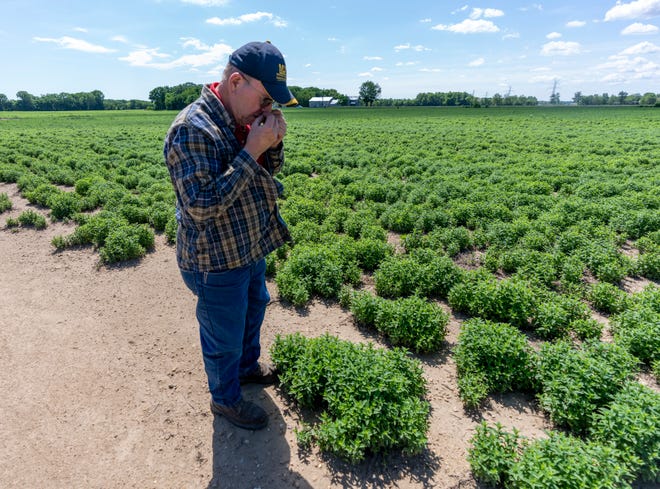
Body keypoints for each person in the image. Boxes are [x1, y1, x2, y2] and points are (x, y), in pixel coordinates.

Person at [164, 41, 296, 430]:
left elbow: (267, 170)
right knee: (223, 335)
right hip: (215, 260)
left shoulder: (241, 117)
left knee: (255, 307)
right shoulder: (191, 128)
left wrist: (272, 144)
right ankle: (225, 400)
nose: (268, 109)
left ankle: (246, 367)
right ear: (236, 81)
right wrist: (251, 150)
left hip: (249, 244)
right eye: (266, 99)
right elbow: (201, 207)